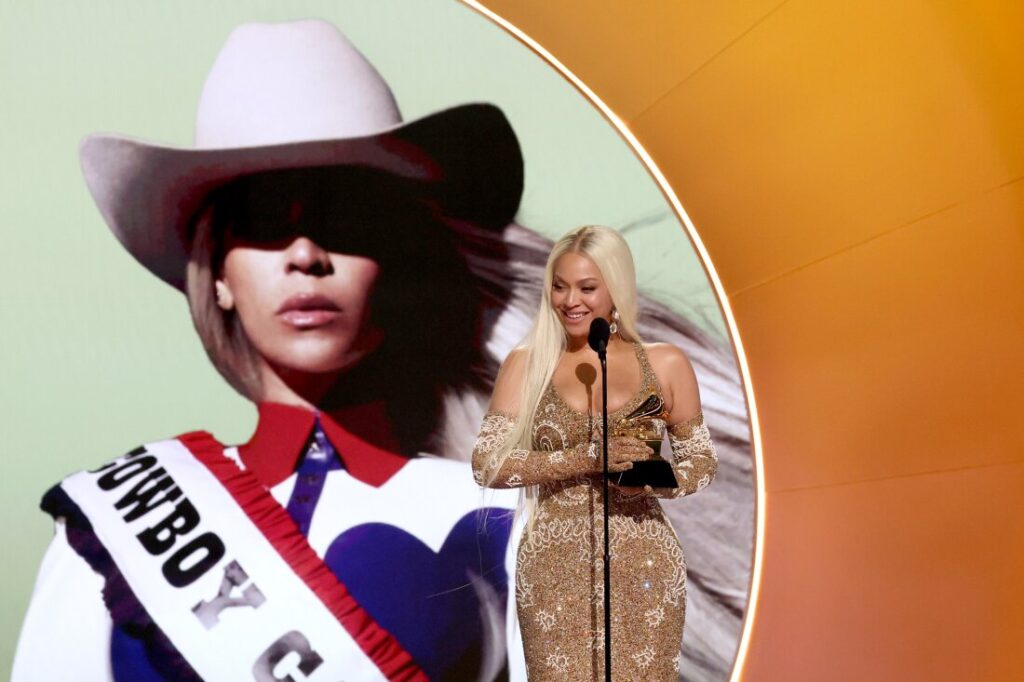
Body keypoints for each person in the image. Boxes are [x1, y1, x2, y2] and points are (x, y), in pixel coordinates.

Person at [13, 20, 521, 681]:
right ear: (219, 274)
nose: (306, 255)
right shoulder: (108, 530)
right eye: (263, 220)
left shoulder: (506, 521)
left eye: (346, 219)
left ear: (393, 263)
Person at [471, 225, 719, 680]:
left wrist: (653, 476)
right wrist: (587, 458)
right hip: (553, 569)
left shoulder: (664, 363)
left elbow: (700, 463)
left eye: (587, 287)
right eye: (560, 286)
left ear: (616, 289)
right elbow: (488, 465)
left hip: (642, 563)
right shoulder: (527, 364)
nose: (570, 301)